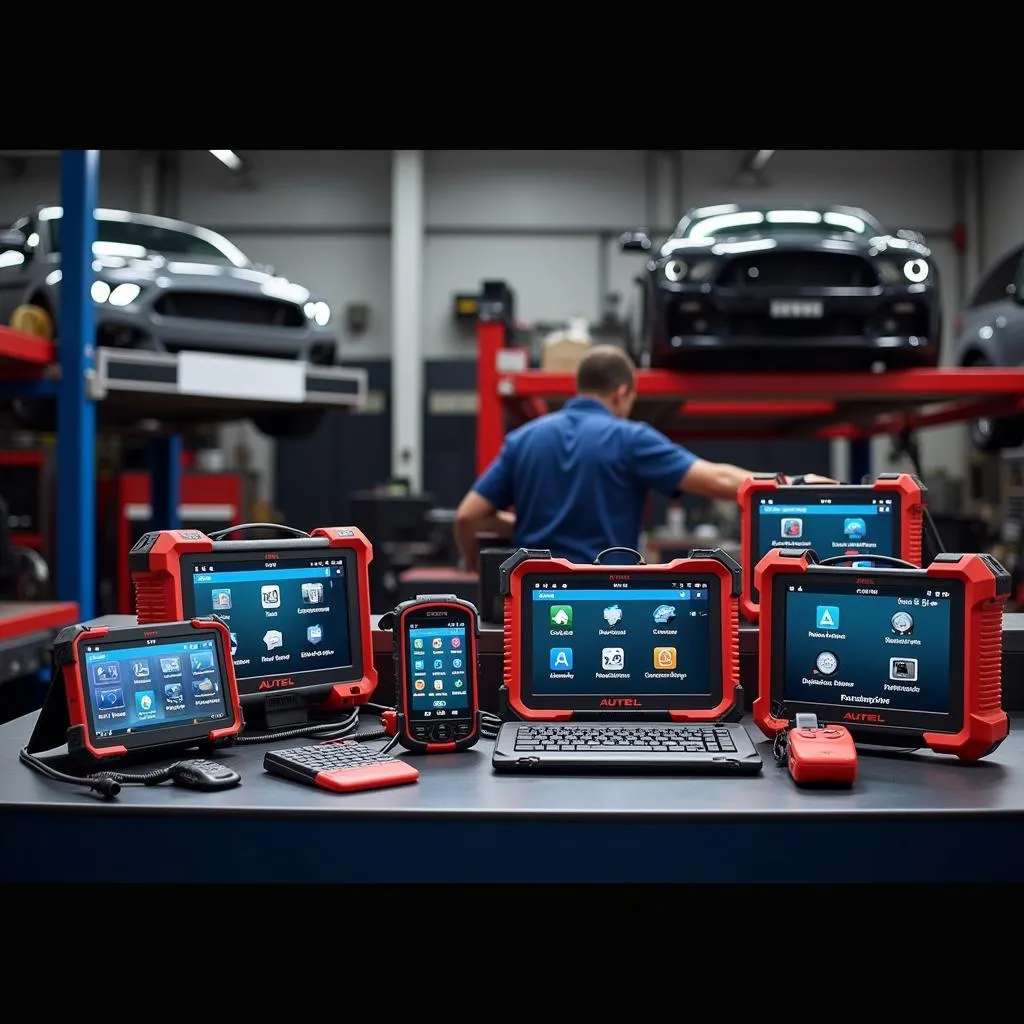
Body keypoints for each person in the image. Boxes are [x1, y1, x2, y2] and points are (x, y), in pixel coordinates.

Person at [454, 344, 835, 570]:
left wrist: (483, 558)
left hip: (532, 595)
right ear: (622, 392)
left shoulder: (523, 439)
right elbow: (718, 481)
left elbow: (468, 516)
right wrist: (794, 485)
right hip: (605, 596)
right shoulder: (628, 438)